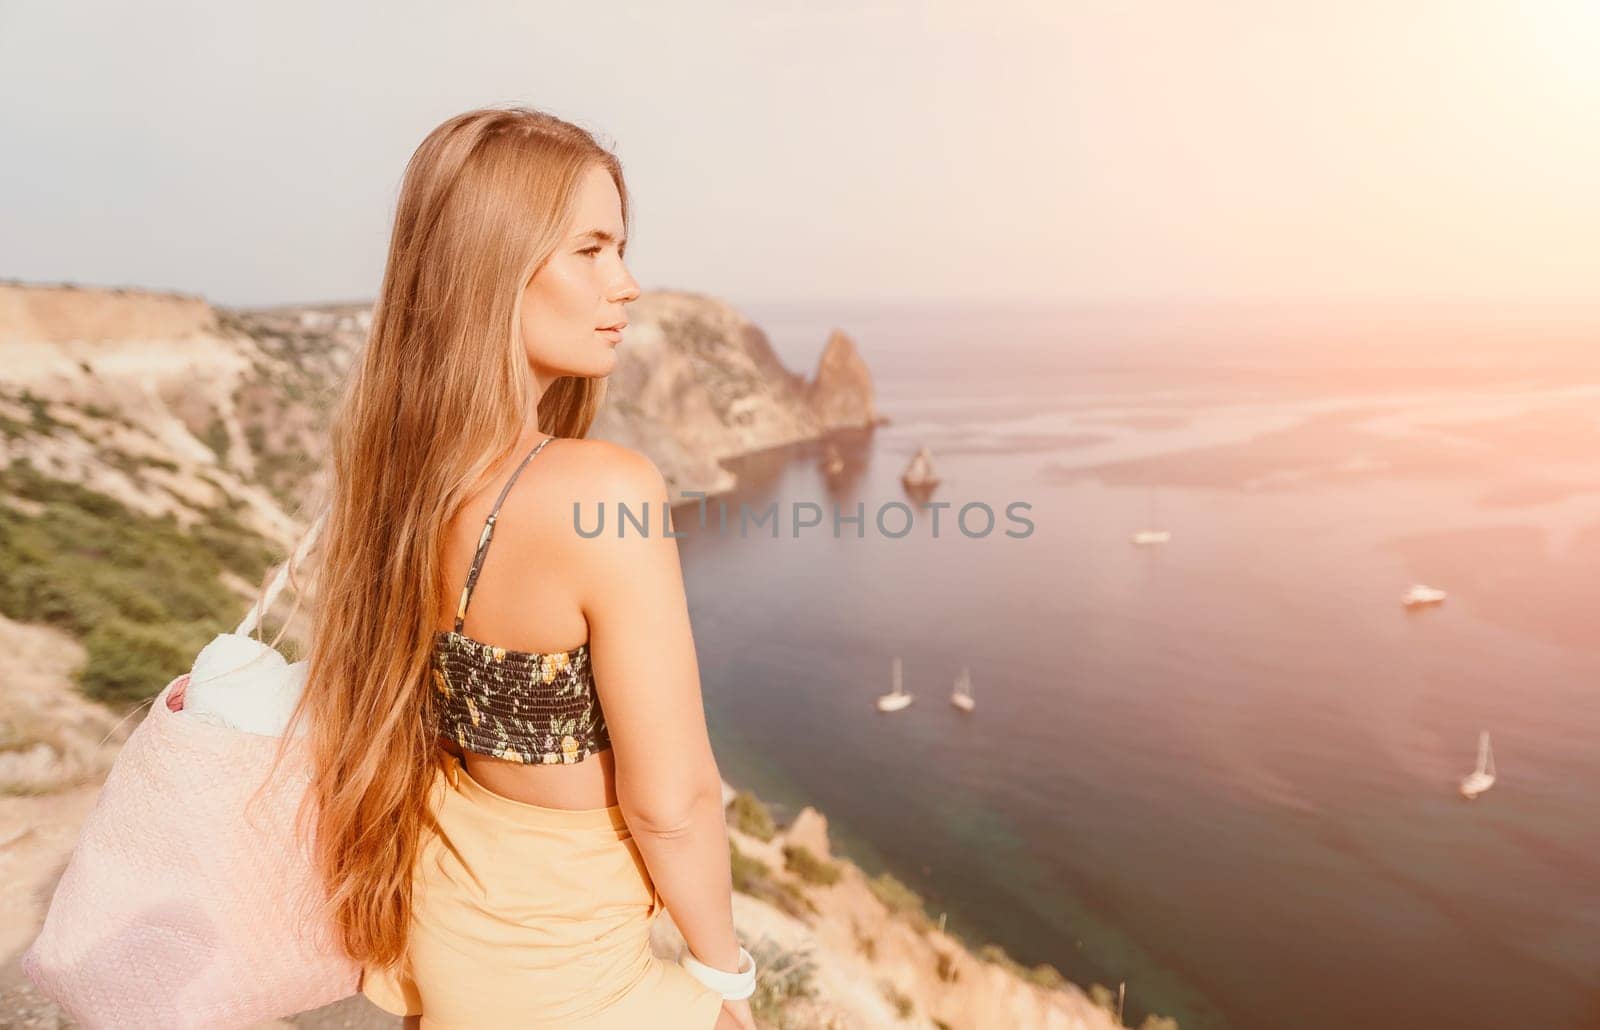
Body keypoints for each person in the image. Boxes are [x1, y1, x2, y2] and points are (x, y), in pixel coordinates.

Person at [287, 106, 758, 1029]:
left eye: (620, 248)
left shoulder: (399, 476)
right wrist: (728, 980)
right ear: (494, 266)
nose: (625, 285)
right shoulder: (603, 491)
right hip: (573, 989)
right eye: (590, 250)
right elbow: (674, 802)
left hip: (447, 943)